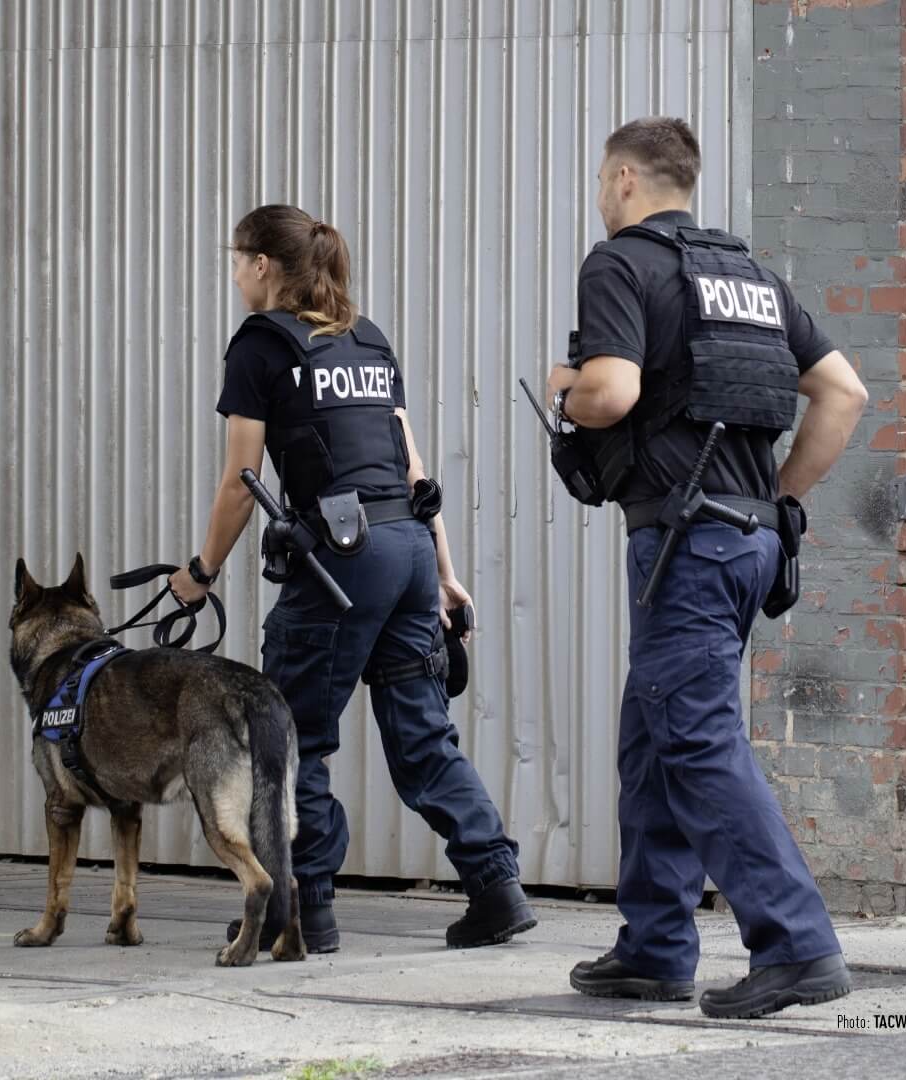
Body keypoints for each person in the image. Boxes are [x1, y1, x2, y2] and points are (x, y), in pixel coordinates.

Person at [546, 118, 868, 1018]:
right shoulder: (750, 277)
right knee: (653, 735)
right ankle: (653, 948)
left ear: (624, 178)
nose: (600, 195)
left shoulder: (621, 263)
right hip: (746, 538)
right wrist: (779, 498)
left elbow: (611, 391)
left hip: (688, 541)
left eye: (601, 180)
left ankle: (797, 945)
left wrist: (565, 386)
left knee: (693, 737)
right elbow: (843, 392)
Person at [170, 205, 536, 954]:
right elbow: (415, 471)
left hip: (341, 561)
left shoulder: (261, 344)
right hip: (406, 549)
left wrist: (201, 573)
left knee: (292, 739)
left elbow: (241, 482)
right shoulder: (366, 338)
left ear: (263, 265)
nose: (234, 276)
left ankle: (304, 911)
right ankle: (496, 888)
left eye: (236, 261)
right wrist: (443, 572)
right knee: (423, 735)